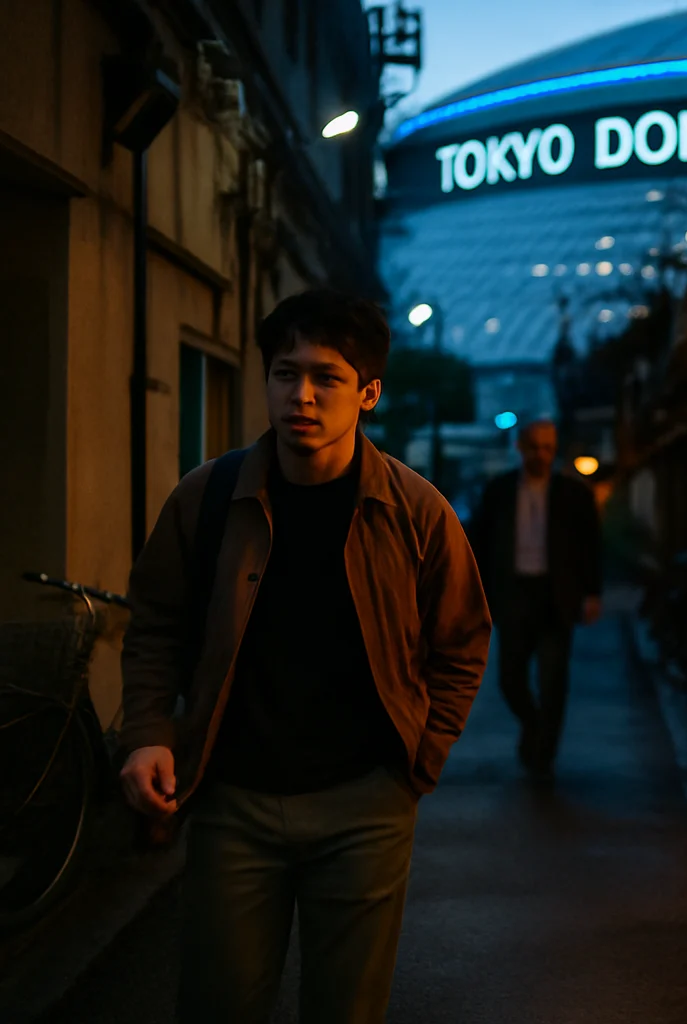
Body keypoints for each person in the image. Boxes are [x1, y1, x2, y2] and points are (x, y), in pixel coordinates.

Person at [118, 290, 492, 1023]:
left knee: (345, 1009)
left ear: (369, 393)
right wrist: (149, 733)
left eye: (327, 377)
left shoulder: (415, 512)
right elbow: (155, 622)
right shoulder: (210, 496)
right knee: (218, 1002)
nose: (303, 396)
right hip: (235, 798)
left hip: (366, 803)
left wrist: (420, 757)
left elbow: (463, 641)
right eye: (286, 374)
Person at [470, 420, 602, 778]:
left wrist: (592, 592)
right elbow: (479, 543)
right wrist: (474, 592)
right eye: (534, 447)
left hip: (556, 596)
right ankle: (534, 725)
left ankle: (544, 755)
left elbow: (590, 546)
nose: (541, 455)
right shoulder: (499, 491)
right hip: (513, 595)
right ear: (520, 448)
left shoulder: (574, 495)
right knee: (509, 679)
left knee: (553, 680)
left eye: (547, 447)